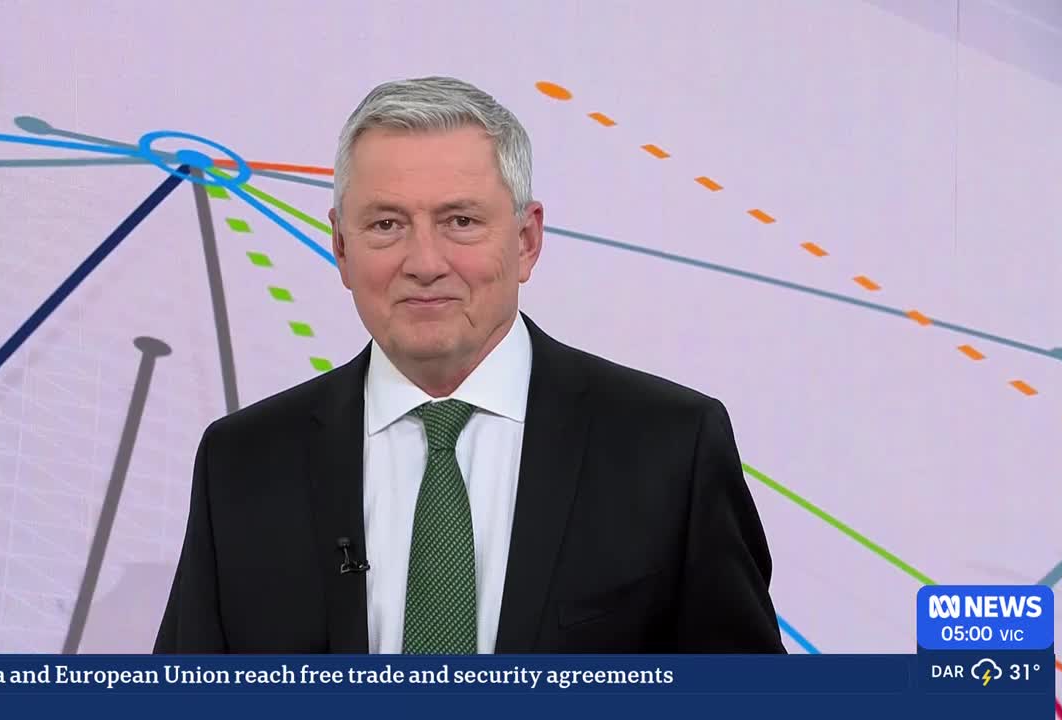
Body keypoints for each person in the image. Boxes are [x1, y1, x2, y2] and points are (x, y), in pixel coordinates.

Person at [154, 76, 786, 654]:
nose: (424, 263)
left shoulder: (670, 447)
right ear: (342, 248)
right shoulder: (242, 462)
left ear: (527, 241)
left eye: (460, 221)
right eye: (386, 224)